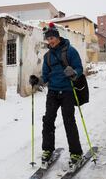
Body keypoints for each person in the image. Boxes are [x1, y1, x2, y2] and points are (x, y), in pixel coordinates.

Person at [29, 22, 83, 171]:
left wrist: (74, 72)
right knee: (48, 120)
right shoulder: (47, 57)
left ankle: (76, 153)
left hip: (67, 91)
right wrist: (37, 80)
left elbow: (79, 68)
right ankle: (48, 149)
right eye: (48, 39)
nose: (50, 41)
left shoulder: (70, 51)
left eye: (52, 37)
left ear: (58, 37)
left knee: (68, 121)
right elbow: (45, 77)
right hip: (53, 92)